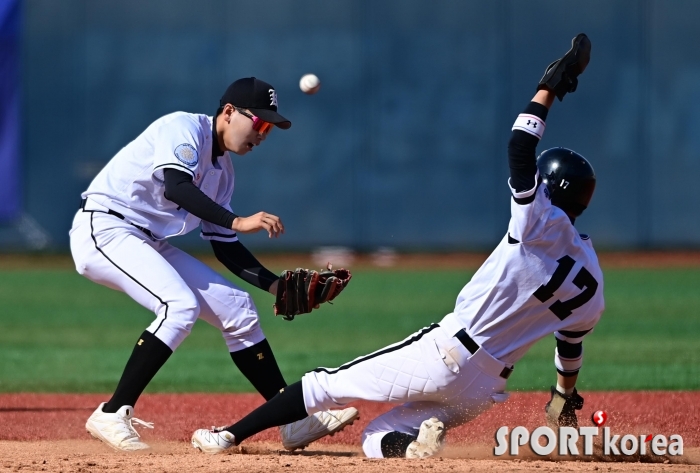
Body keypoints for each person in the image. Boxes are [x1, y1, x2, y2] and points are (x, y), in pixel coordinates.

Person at [190, 34, 604, 459]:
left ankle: (227, 436)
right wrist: (563, 397)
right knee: (376, 438)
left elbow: (520, 145)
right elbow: (570, 347)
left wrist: (548, 87)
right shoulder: (592, 277)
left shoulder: (538, 220)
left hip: (446, 355)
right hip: (486, 388)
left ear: (549, 188)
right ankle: (414, 449)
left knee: (323, 384)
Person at [69, 77, 358, 452]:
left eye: (270, 128)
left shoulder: (223, 174)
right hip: (105, 227)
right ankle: (112, 411)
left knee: (238, 310)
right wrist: (238, 220)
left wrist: (276, 286)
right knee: (179, 306)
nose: (263, 134)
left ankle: (293, 420)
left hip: (145, 241)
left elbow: (226, 248)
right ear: (228, 112)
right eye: (260, 123)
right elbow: (176, 186)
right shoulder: (184, 128)